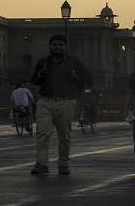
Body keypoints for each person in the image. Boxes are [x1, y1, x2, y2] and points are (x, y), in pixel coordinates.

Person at [29, 34, 93, 176]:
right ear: (50, 47)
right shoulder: (43, 62)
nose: (57, 47)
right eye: (55, 45)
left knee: (64, 135)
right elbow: (34, 80)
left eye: (60, 45)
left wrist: (75, 77)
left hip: (66, 101)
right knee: (42, 133)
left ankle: (63, 163)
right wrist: (42, 75)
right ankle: (41, 164)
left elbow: (88, 79)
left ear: (65, 47)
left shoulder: (74, 62)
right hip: (45, 101)